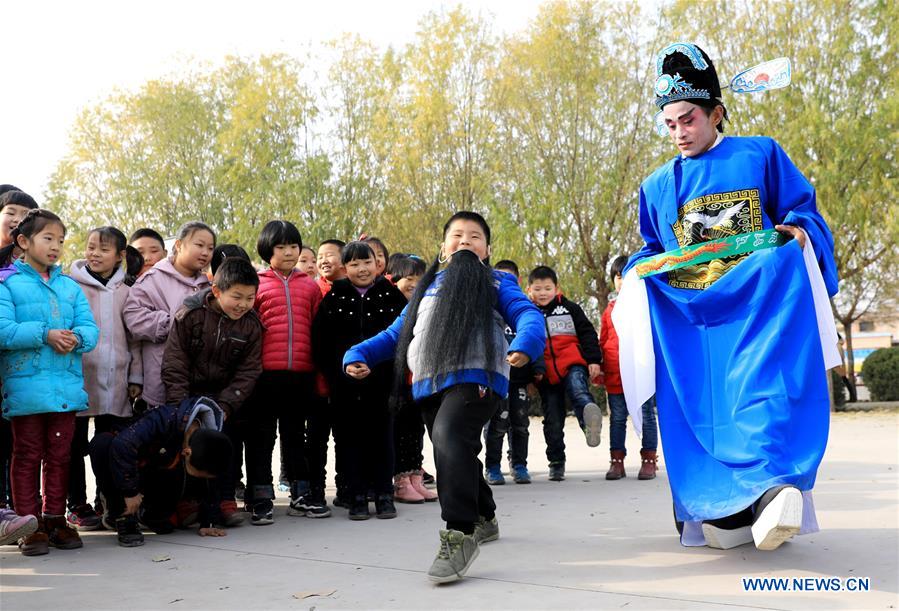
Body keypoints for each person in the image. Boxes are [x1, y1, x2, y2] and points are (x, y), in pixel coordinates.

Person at [614, 42, 838, 552]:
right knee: (696, 408)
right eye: (669, 124)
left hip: (758, 310)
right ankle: (719, 511)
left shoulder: (760, 153)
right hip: (694, 324)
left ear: (716, 112)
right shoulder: (656, 186)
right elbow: (653, 250)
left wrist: (799, 233)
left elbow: (803, 212)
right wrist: (635, 274)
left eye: (688, 120)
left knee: (761, 399)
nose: (679, 133)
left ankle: (771, 493)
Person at [343, 211, 545, 583]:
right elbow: (396, 334)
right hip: (429, 384)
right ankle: (484, 515)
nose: (466, 240)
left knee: (450, 438)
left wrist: (526, 341)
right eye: (457, 235)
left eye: (475, 236)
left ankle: (460, 533)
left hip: (478, 376)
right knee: (455, 448)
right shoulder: (427, 287)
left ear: (486, 250)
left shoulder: (496, 281)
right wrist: (358, 353)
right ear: (443, 248)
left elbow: (526, 313)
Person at [0, 209, 99, 555]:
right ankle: (30, 524)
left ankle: (56, 519)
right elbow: (3, 331)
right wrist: (45, 334)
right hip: (26, 390)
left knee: (60, 455)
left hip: (65, 391)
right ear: (24, 242)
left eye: (60, 240)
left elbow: (90, 328)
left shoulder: (69, 287)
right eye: (48, 238)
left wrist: (78, 339)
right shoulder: (8, 284)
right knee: (26, 455)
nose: (55, 246)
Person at [162, 257, 263, 528]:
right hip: (188, 396)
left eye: (250, 298)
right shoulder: (191, 314)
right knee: (185, 447)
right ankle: (187, 502)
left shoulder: (251, 325)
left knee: (225, 444)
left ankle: (225, 501)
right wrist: (181, 408)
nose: (243, 304)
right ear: (217, 291)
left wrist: (226, 406)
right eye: (237, 296)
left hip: (225, 400)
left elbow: (249, 371)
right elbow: (175, 361)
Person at [313, 241, 407, 520]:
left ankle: (384, 495)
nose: (361, 269)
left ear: (378, 265)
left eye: (366, 262)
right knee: (349, 442)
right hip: (345, 387)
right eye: (353, 264)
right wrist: (342, 370)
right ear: (345, 267)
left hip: (382, 384)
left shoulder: (392, 296)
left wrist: (387, 371)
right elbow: (322, 344)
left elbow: (405, 338)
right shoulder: (333, 299)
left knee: (383, 440)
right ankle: (355, 497)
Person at [245, 220, 326, 525]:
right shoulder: (258, 284)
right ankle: (261, 498)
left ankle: (301, 494)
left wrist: (318, 374)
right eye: (282, 247)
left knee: (295, 437)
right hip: (266, 376)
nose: (290, 252)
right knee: (261, 438)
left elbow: (318, 331)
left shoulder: (310, 286)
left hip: (302, 374)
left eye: (294, 245)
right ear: (268, 251)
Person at [66, 227, 143, 532]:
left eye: (103, 249)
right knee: (73, 445)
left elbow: (134, 337)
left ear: (120, 256)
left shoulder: (128, 290)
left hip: (117, 380)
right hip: (78, 378)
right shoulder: (71, 287)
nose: (94, 254)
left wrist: (135, 375)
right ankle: (76, 503)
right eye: (90, 247)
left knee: (111, 445)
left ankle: (107, 500)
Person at [89, 396, 234, 547]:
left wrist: (208, 521)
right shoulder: (164, 418)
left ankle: (149, 513)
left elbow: (213, 478)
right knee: (101, 444)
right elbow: (122, 445)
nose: (204, 479)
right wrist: (129, 492)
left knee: (162, 523)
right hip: (131, 465)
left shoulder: (214, 437)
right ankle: (121, 515)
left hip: (162, 468)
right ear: (187, 452)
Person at [123, 221, 215, 412]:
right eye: (199, 245)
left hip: (197, 376)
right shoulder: (153, 279)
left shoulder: (209, 285)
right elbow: (133, 317)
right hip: (160, 370)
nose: (205, 252)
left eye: (210, 248)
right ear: (179, 245)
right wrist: (172, 323)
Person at [527, 265, 603, 482]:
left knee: (579, 391)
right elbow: (525, 343)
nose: (543, 293)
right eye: (538, 289)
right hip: (546, 375)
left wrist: (593, 360)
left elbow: (588, 333)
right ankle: (556, 462)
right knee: (552, 420)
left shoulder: (569, 308)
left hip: (572, 364)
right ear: (529, 289)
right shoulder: (527, 313)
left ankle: (589, 426)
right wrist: (529, 377)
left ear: (556, 288)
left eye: (548, 288)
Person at [483, 260, 544, 486]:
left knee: (520, 424)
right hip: (497, 380)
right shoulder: (489, 312)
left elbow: (536, 343)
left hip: (519, 381)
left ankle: (519, 465)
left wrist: (537, 373)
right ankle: (493, 466)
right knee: (496, 425)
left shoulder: (522, 312)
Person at [599, 255, 658, 481]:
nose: (622, 281)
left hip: (640, 373)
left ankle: (649, 460)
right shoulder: (609, 311)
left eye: (628, 276)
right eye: (618, 276)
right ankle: (617, 462)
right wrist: (600, 368)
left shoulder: (646, 307)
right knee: (617, 419)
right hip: (615, 374)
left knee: (647, 416)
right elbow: (604, 341)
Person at [386, 253, 437, 504]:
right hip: (396, 381)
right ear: (394, 279)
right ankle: (400, 480)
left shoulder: (426, 305)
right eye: (409, 278)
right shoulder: (390, 305)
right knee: (400, 429)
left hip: (418, 379)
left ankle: (416, 476)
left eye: (420, 278)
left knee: (416, 430)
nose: (415, 283)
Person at [0, 188, 38, 518]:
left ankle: (11, 513)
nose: (16, 220)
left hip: (15, 369)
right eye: (11, 211)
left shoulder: (27, 269)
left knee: (13, 444)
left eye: (25, 216)